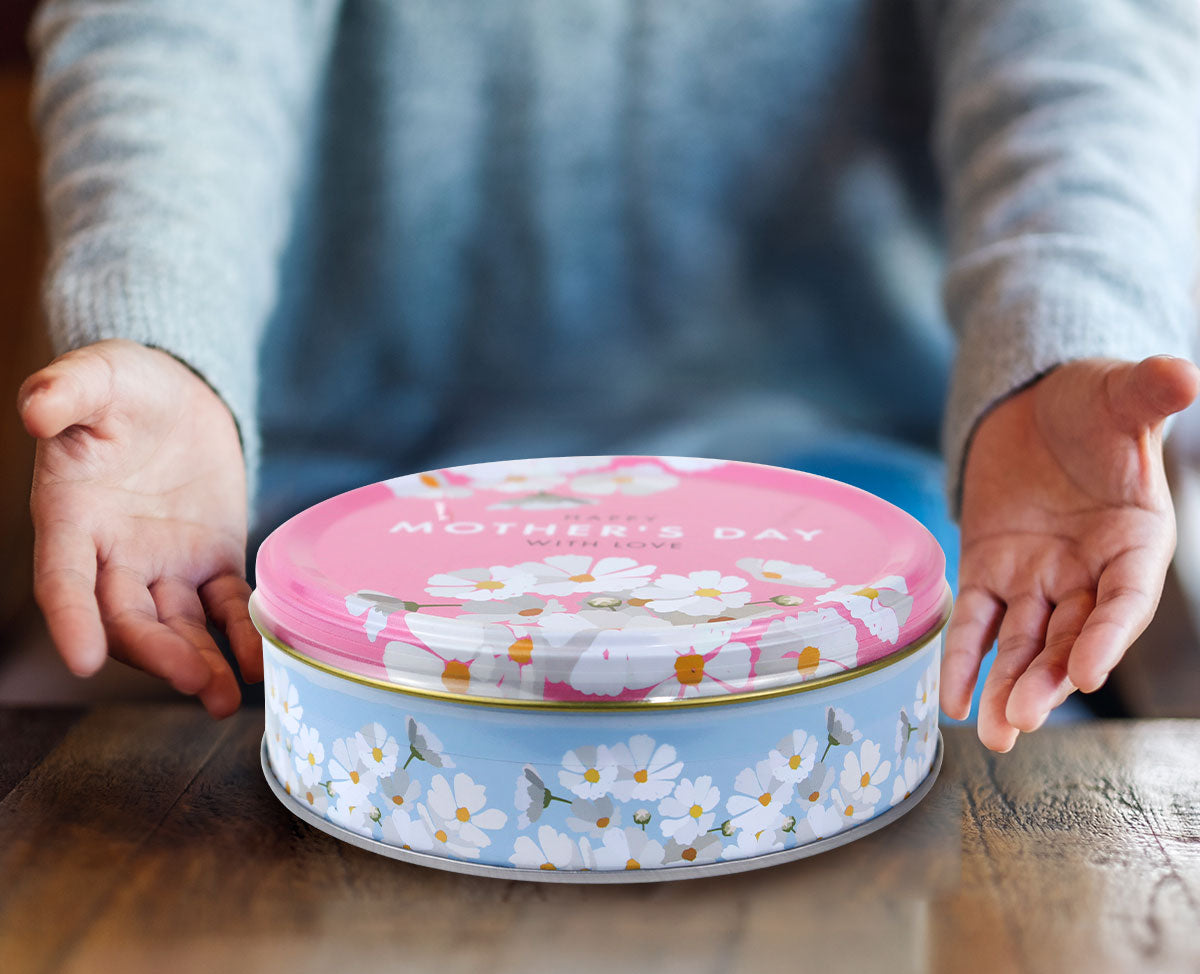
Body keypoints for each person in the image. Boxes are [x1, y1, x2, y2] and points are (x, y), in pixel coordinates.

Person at [16, 0, 1200, 752]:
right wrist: (170, 339)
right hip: (302, 552)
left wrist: (1062, 334)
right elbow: (182, 31)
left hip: (891, 550)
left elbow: (1079, 46)